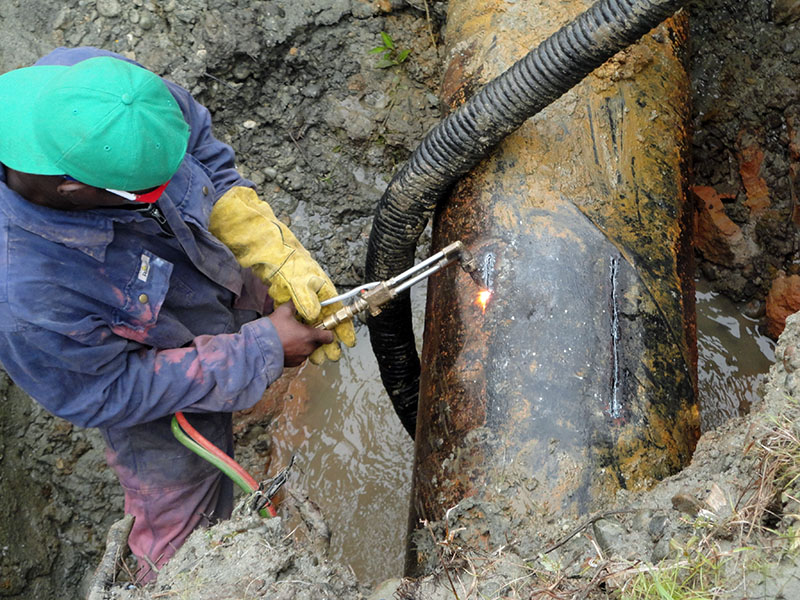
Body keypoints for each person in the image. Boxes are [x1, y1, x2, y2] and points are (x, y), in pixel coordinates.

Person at [0, 46, 355, 582]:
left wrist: (262, 240)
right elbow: (104, 392)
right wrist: (260, 350)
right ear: (71, 189)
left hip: (206, 275)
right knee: (179, 543)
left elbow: (198, 145)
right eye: (148, 191)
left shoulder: (108, 92)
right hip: (148, 395)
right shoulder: (23, 293)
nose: (168, 189)